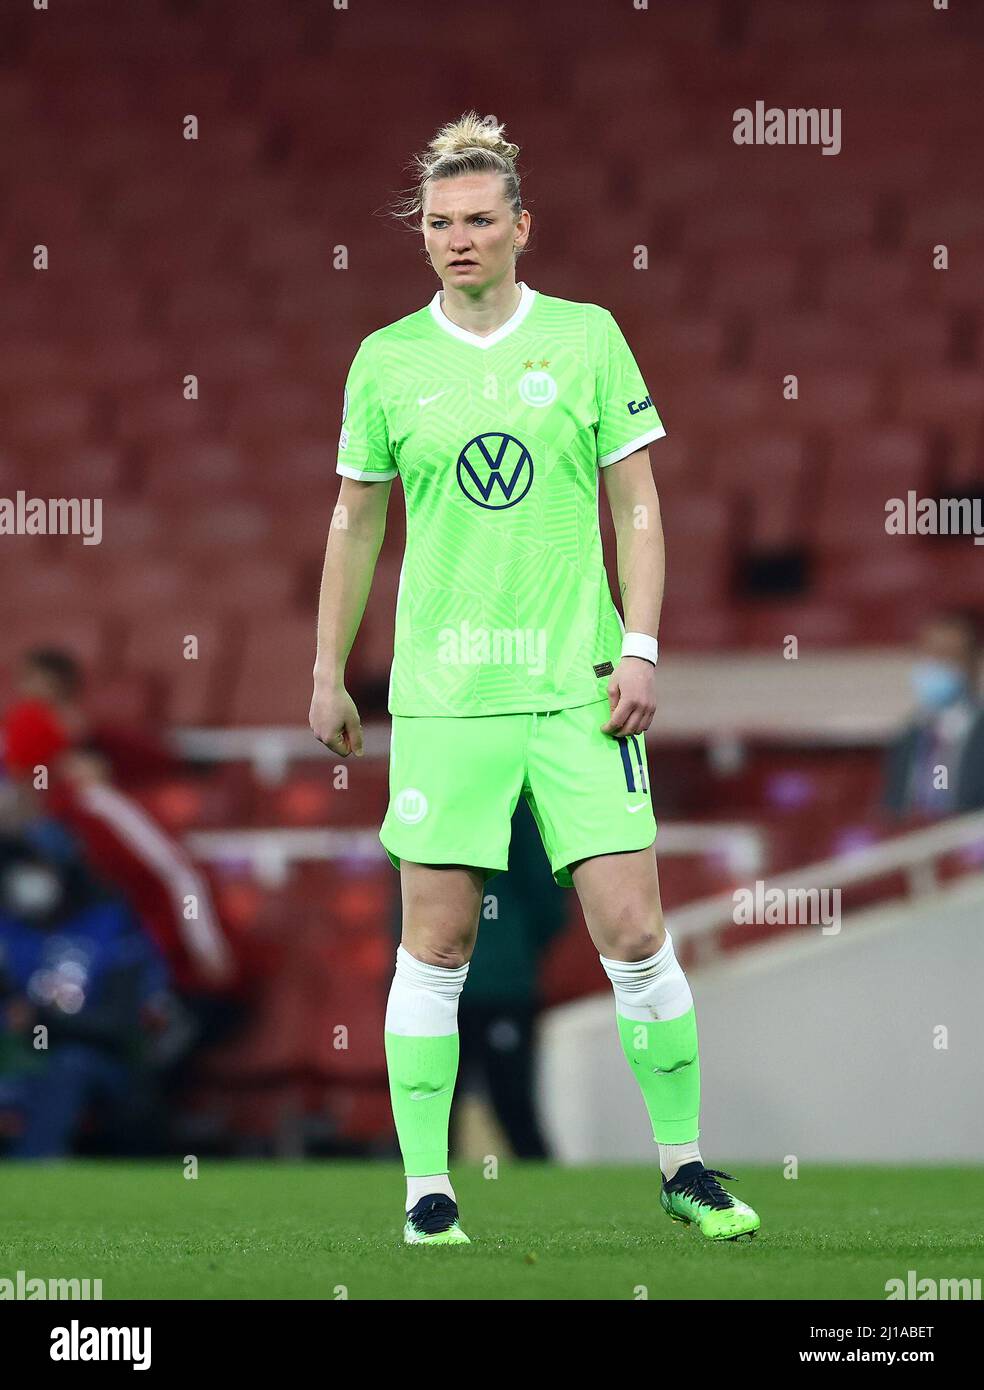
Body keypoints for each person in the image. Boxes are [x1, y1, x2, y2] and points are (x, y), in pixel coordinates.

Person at [309, 112, 759, 1244]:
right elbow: (355, 523)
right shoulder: (385, 360)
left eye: (477, 220)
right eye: (438, 223)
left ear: (521, 227)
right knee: (440, 940)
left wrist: (644, 645)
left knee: (634, 926)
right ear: (423, 235)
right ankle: (426, 1191)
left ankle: (685, 1167)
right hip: (448, 695)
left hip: (577, 681)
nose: (457, 239)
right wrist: (327, 669)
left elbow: (640, 505)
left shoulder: (589, 336)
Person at [883, 610, 984, 818]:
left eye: (947, 656)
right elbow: (891, 807)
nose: (935, 665)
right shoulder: (908, 734)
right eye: (929, 655)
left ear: (972, 664)